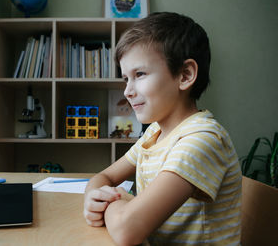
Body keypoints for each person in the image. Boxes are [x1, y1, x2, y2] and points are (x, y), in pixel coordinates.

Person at [83, 12, 241, 245]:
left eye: (139, 74)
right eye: (125, 78)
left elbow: (128, 229)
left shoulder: (201, 140)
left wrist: (114, 202)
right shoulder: (154, 133)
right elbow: (105, 176)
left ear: (185, 75)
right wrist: (92, 198)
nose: (127, 90)